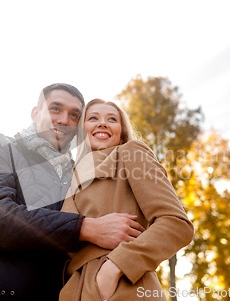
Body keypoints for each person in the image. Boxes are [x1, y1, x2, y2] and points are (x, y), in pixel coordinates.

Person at [0, 84, 145, 301]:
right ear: (36, 113)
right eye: (55, 109)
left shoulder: (78, 174)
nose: (64, 120)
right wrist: (85, 227)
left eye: (74, 115)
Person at [60, 99, 194, 301]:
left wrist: (114, 268)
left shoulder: (131, 152)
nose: (102, 123)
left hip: (124, 287)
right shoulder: (69, 177)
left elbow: (176, 224)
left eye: (112, 119)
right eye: (93, 118)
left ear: (121, 131)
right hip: (75, 290)